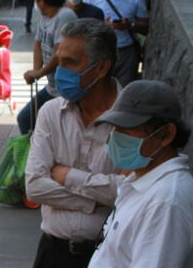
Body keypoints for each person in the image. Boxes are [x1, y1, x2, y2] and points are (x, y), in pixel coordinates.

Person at [25, 18, 122, 268]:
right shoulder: (50, 112)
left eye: (70, 63)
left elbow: (125, 192)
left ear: (101, 69)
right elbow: (35, 187)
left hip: (108, 254)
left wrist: (66, 175)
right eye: (59, 61)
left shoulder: (130, 120)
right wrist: (94, 199)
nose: (60, 72)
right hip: (53, 252)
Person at [89, 80, 193, 267]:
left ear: (166, 135)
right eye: (115, 128)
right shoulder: (143, 182)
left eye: (126, 129)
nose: (115, 137)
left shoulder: (166, 202)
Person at [17, 0, 78, 135]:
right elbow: (38, 44)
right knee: (25, 118)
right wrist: (35, 72)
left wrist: (39, 73)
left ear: (41, 1)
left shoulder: (65, 16)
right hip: (52, 87)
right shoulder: (44, 17)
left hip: (66, 90)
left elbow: (60, 53)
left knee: (55, 131)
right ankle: (34, 156)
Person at [83, 0, 149, 86]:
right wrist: (102, 25)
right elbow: (83, 21)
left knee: (124, 92)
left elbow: (145, 25)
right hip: (100, 51)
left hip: (126, 52)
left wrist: (129, 24)